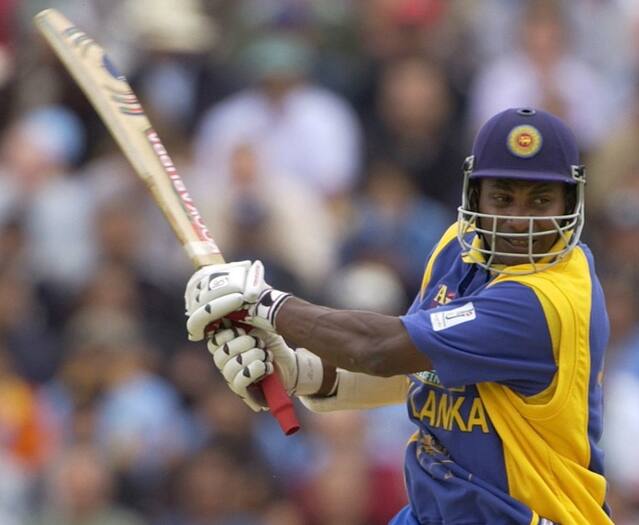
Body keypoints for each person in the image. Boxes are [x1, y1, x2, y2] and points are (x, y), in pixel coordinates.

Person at [184, 108, 612, 524]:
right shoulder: (458, 249)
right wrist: (303, 374)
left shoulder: (546, 301)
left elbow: (381, 349)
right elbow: (420, 368)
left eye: (540, 201)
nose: (519, 221)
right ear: (474, 195)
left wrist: (263, 303)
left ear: (570, 202)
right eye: (503, 198)